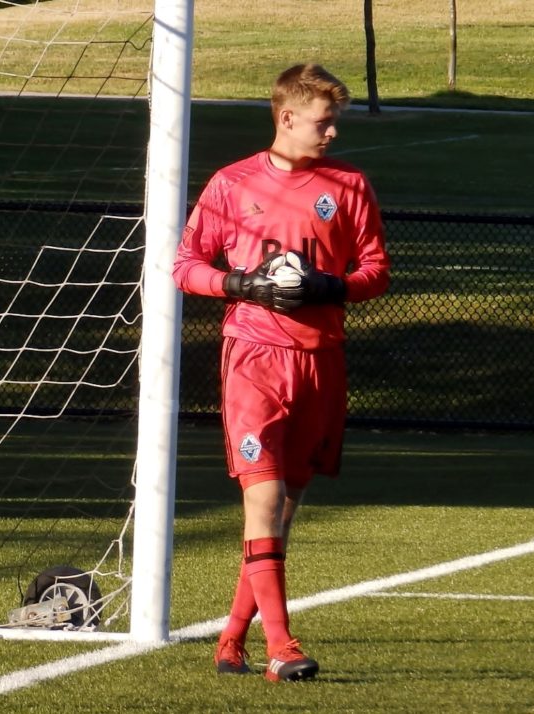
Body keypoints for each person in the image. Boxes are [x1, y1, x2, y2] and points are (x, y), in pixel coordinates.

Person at [172, 63, 390, 681]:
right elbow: (185, 265)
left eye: (335, 123)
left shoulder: (348, 185)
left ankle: (231, 640)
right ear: (287, 118)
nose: (332, 133)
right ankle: (282, 647)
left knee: (282, 513)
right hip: (254, 359)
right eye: (323, 122)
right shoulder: (232, 184)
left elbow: (375, 270)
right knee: (263, 499)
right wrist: (240, 284)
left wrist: (329, 286)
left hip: (320, 361)